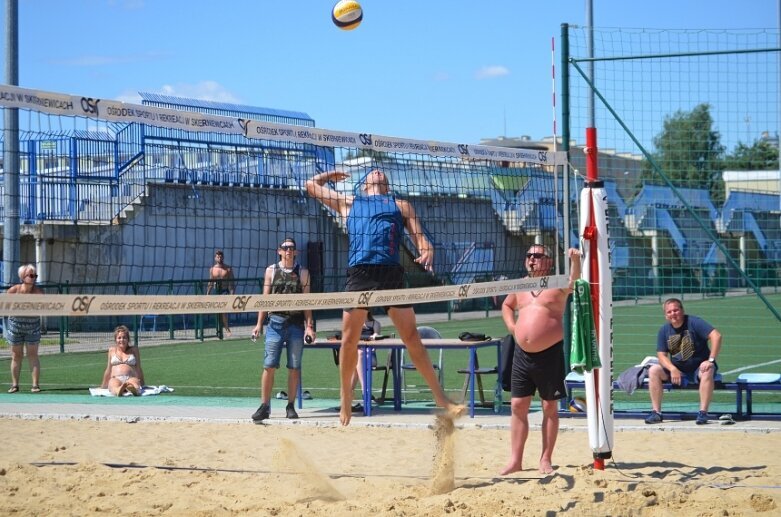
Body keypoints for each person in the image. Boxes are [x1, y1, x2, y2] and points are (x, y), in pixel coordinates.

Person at [306, 169, 464, 426]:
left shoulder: (400, 205)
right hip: (361, 273)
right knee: (349, 340)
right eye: (372, 172)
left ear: (386, 185)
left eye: (382, 173)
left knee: (412, 338)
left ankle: (441, 398)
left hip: (391, 274)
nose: (378, 172)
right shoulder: (350, 202)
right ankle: (346, 396)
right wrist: (330, 175)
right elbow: (310, 185)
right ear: (365, 183)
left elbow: (421, 240)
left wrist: (427, 251)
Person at [500, 244, 581, 475]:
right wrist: (512, 326)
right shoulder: (521, 284)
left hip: (549, 353)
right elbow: (507, 305)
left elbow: (574, 283)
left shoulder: (557, 282)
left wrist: (574, 260)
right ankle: (515, 460)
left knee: (549, 407)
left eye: (537, 256)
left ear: (549, 261)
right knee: (517, 405)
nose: (532, 259)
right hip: (521, 354)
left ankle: (545, 458)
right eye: (529, 255)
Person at [250, 238, 316, 422]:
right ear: (279, 251)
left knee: (294, 367)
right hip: (275, 323)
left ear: (296, 252)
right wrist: (258, 325)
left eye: (291, 248)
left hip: (296, 324)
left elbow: (307, 302)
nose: (288, 251)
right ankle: (264, 406)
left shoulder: (303, 272)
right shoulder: (271, 271)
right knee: (269, 365)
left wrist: (309, 327)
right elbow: (264, 300)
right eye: (285, 248)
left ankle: (291, 406)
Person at [644, 298, 722, 425]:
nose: (673, 314)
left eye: (676, 310)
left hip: (698, 369)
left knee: (707, 369)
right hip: (678, 371)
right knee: (653, 370)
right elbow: (661, 355)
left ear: (682, 310)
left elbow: (716, 336)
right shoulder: (664, 330)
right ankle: (656, 413)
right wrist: (672, 369)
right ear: (666, 315)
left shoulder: (694, 322)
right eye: (669, 312)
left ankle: (703, 413)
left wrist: (710, 360)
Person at [6, 264, 45, 393]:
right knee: (16, 355)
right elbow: (4, 305)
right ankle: (14, 385)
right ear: (23, 277)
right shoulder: (13, 290)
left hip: (33, 326)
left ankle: (35, 385)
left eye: (35, 276)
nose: (34, 278)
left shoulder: (39, 292)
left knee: (33, 355)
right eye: (31, 275)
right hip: (15, 326)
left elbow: (46, 306)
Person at [100, 325, 145, 396]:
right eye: (119, 338)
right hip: (115, 378)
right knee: (113, 384)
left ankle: (134, 390)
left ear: (128, 339)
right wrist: (103, 386)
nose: (122, 340)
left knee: (135, 383)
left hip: (130, 377)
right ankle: (118, 390)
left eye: (124, 338)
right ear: (116, 339)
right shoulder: (111, 350)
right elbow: (108, 370)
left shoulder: (134, 350)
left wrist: (143, 383)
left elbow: (138, 368)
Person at [351, 312, 382, 404]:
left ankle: (360, 391)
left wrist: (375, 335)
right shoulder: (355, 323)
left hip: (370, 355)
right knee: (358, 356)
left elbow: (377, 337)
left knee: (359, 356)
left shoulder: (375, 323)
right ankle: (364, 392)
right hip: (356, 356)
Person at [206, 249, 235, 337]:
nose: (219, 258)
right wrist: (207, 294)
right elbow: (210, 282)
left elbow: (232, 283)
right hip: (216, 292)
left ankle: (226, 328)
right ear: (215, 258)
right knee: (218, 312)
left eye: (221, 256)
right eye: (218, 256)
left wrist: (232, 294)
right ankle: (219, 330)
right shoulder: (212, 269)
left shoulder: (228, 269)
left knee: (223, 311)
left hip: (224, 291)